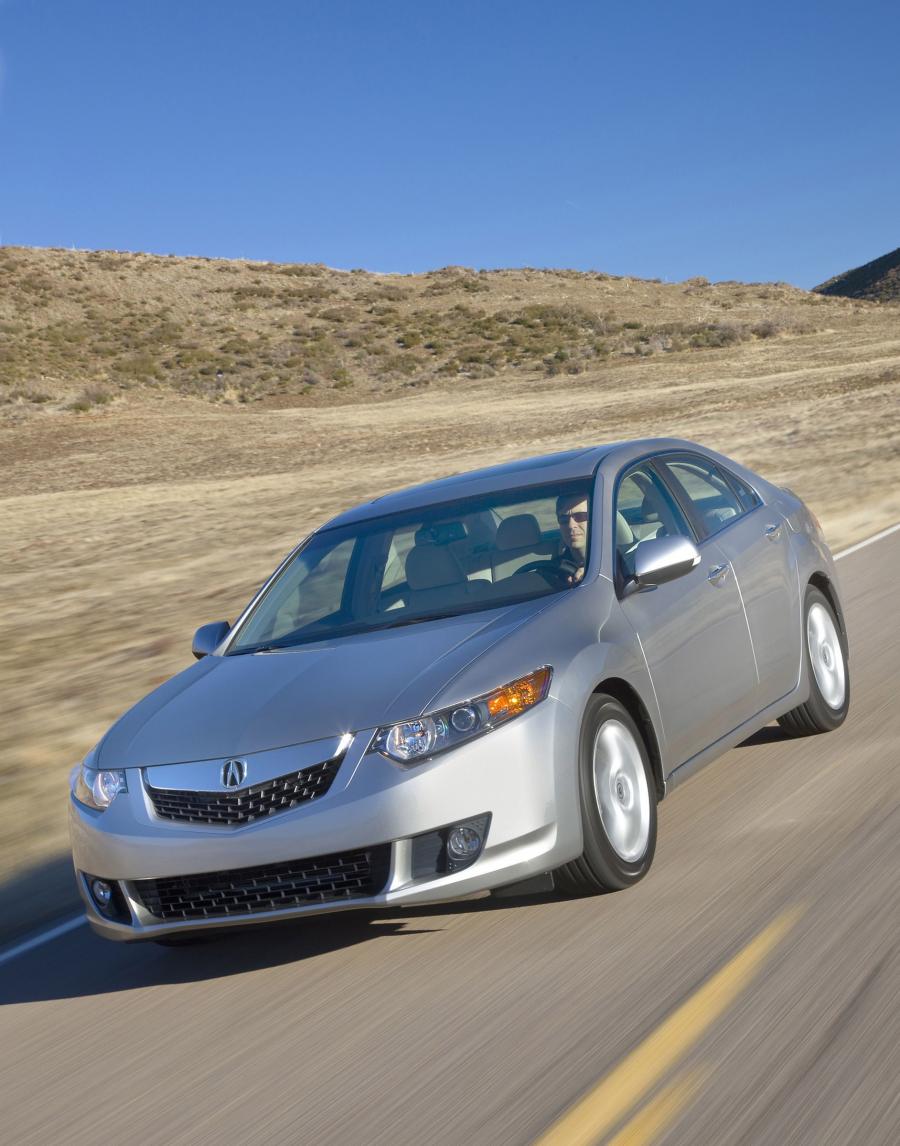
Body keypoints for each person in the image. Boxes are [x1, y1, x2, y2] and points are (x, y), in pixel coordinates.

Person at [554, 492, 590, 584]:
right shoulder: (553, 570)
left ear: (596, 517)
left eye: (580, 516)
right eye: (564, 519)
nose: (571, 525)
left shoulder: (619, 561)